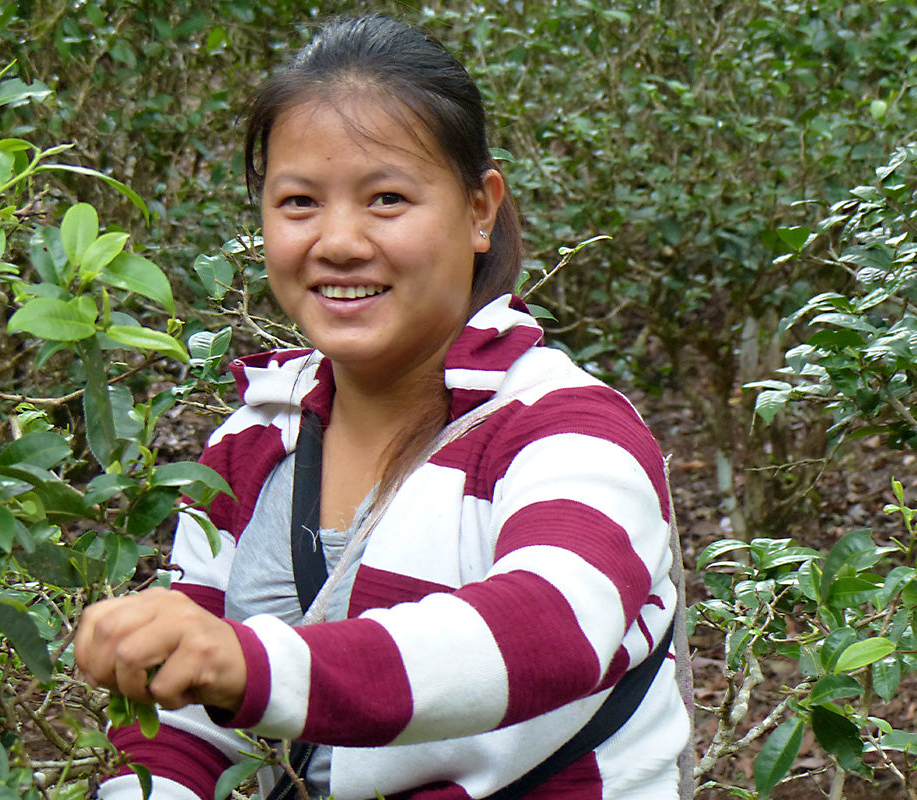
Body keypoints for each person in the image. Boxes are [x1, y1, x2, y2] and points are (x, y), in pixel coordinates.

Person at [75, 15, 690, 800]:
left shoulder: (568, 429)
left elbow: (551, 625)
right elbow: (188, 731)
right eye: (298, 202)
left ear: (479, 211)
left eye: (388, 198)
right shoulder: (255, 438)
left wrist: (248, 665)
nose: (337, 241)